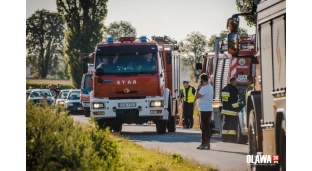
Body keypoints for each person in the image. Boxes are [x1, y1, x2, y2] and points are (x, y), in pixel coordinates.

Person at [194, 73, 213, 150]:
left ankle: (206, 143)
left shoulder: (205, 88)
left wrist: (198, 88)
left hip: (205, 110)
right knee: (203, 127)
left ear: (202, 80)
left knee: (205, 127)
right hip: (204, 109)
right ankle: (203, 143)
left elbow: (197, 96)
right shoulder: (208, 87)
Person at [221, 77, 240, 142]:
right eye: (235, 81)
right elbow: (234, 100)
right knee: (232, 125)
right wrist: (238, 107)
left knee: (226, 123)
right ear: (232, 81)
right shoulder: (234, 89)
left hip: (226, 109)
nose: (236, 82)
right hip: (232, 110)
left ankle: (225, 138)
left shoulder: (224, 88)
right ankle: (232, 139)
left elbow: (224, 100)